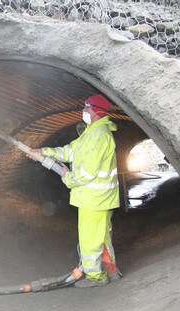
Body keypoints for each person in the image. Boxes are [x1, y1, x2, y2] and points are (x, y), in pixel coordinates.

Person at [28, 94, 122, 288]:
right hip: (99, 199)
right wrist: (44, 152)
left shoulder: (99, 136)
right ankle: (111, 271)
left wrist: (67, 176)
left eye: (86, 109)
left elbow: (87, 172)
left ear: (95, 112)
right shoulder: (92, 132)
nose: (83, 112)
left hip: (94, 199)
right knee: (101, 237)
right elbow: (69, 151)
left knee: (89, 240)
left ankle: (96, 278)